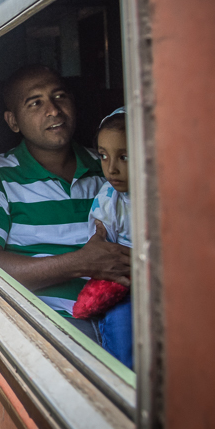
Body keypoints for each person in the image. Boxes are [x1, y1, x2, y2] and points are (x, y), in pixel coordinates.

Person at [0, 65, 130, 341]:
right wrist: (80, 263)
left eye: (59, 97)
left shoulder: (109, 166)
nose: (54, 110)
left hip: (123, 313)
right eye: (35, 102)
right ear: (13, 121)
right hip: (50, 325)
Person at [74, 107, 134, 367]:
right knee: (123, 330)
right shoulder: (110, 198)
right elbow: (100, 247)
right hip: (124, 282)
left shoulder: (166, 193)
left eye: (125, 157)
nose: (112, 169)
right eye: (103, 156)